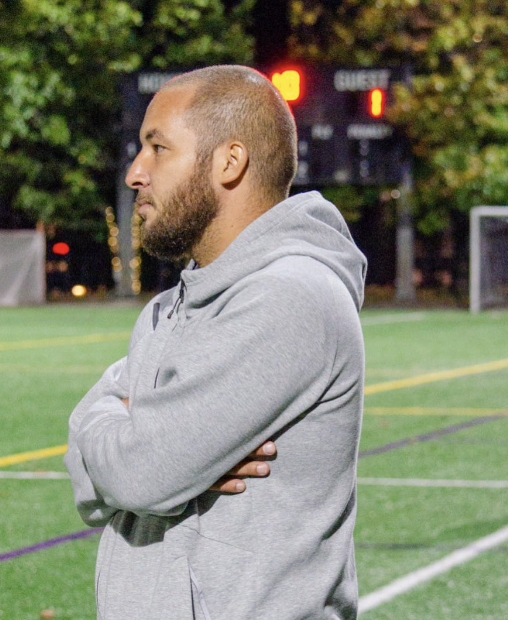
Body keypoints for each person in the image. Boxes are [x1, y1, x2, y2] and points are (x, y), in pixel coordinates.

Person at [65, 65, 367, 620]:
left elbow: (139, 476)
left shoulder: (290, 296)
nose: (136, 172)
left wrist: (127, 439)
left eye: (158, 148)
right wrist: (126, 441)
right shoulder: (168, 308)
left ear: (229, 162)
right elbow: (100, 477)